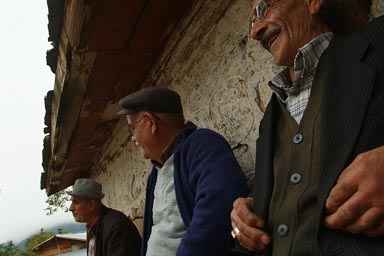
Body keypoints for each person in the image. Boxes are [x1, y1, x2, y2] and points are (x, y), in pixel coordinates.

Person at [230, 0, 384, 255]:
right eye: (251, 21)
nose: (254, 31)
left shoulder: (378, 42)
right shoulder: (270, 116)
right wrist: (241, 222)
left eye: (262, 10)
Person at [117, 87, 248, 256]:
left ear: (150, 122)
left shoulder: (202, 145)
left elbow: (218, 207)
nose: (133, 138)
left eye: (132, 129)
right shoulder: (155, 174)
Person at [68, 178, 141, 255]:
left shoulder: (116, 226)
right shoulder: (92, 228)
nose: (71, 208)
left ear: (91, 205)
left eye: (75, 202)